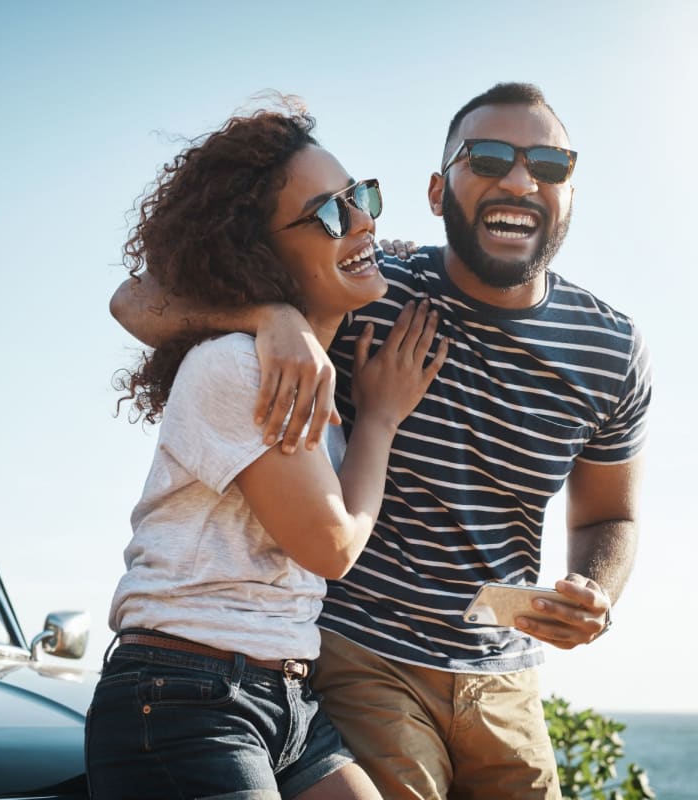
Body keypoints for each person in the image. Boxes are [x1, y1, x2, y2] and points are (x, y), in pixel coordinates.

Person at [110, 83, 652, 800]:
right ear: (438, 190)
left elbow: (610, 515)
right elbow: (138, 299)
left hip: (505, 675)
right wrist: (270, 314)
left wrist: (596, 591)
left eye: (549, 165)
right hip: (361, 656)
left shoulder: (611, 348)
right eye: (487, 157)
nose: (519, 180)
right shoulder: (367, 284)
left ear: (572, 192)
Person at [87, 101, 448, 800]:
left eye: (362, 197)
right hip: (184, 699)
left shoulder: (304, 363)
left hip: (283, 698)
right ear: (260, 251)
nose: (364, 220)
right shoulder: (236, 366)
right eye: (332, 214)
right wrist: (378, 419)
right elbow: (331, 547)